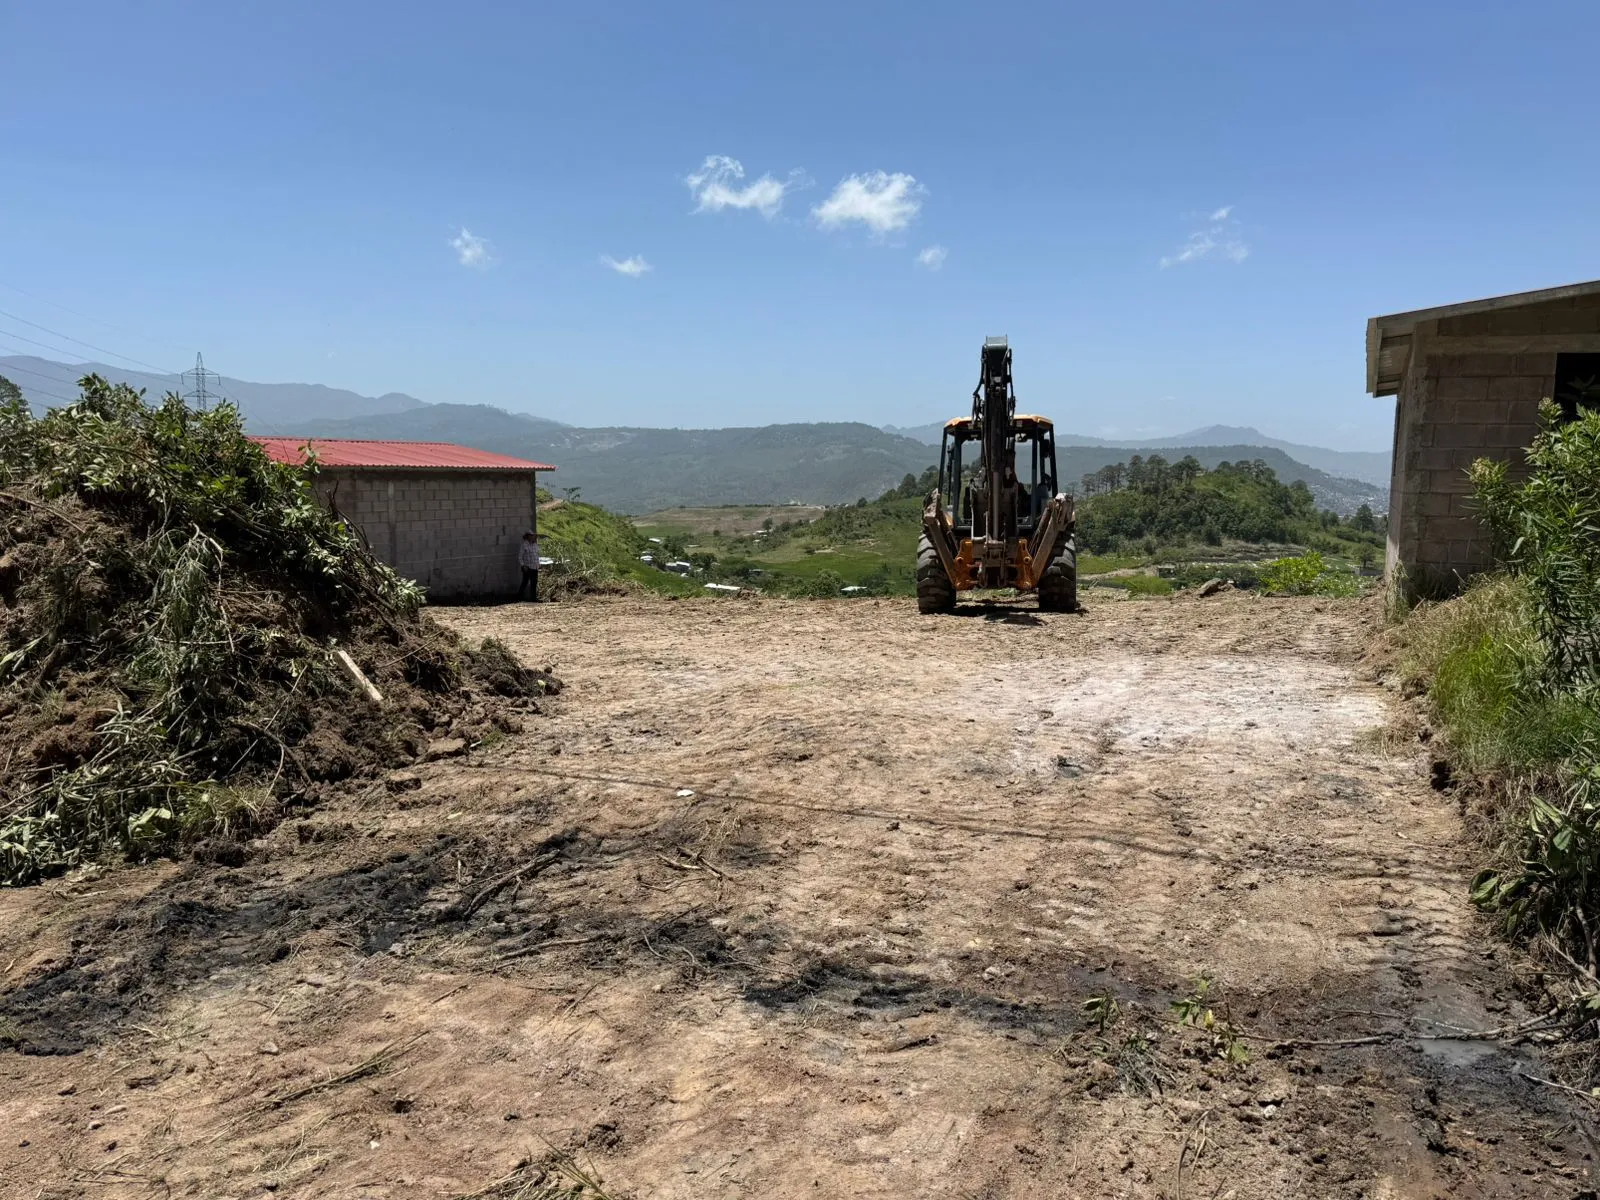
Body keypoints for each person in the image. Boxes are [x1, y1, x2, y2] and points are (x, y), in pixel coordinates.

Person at [518, 530, 541, 601]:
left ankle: (533, 598)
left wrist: (539, 564)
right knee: (525, 582)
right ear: (527, 537)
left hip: (535, 566)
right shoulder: (524, 545)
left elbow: (536, 555)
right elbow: (520, 556)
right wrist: (523, 565)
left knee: (534, 583)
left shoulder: (535, 545)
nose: (533, 537)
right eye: (531, 536)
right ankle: (519, 597)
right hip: (527, 567)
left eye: (533, 536)